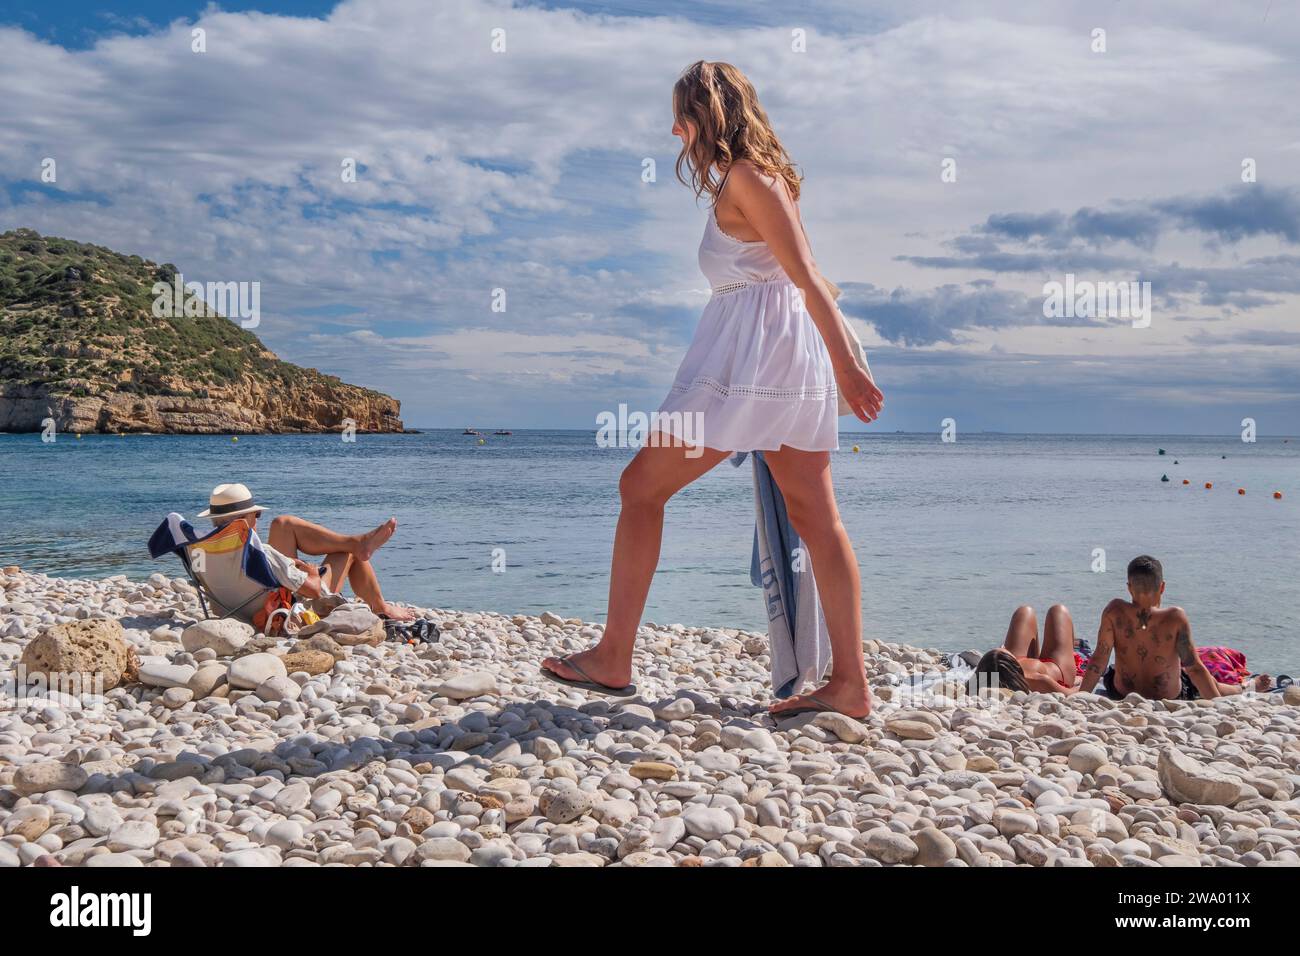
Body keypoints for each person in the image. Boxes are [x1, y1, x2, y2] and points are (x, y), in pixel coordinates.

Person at [541, 61, 884, 718]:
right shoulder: (757, 176)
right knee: (814, 516)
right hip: (770, 353)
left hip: (754, 361)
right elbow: (796, 277)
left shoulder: (749, 178)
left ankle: (614, 657)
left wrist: (845, 366)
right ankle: (851, 685)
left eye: (682, 115)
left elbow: (808, 274)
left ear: (708, 116)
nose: (675, 130)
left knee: (642, 487)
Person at [198, 482, 414, 621]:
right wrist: (310, 574)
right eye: (256, 516)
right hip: (282, 611)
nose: (257, 520)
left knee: (282, 524)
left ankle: (358, 543)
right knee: (345, 553)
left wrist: (285, 567)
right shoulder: (259, 553)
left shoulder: (201, 551)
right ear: (245, 521)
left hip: (233, 608)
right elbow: (314, 591)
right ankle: (380, 605)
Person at [1078, 555, 1269, 700]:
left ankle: (1243, 688)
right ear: (1162, 587)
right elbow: (1194, 667)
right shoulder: (1175, 617)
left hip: (1122, 692)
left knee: (1111, 668)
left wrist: (1081, 697)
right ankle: (1243, 689)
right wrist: (1216, 707)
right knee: (1191, 674)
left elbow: (1098, 661)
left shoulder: (1114, 611)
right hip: (1169, 696)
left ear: (1129, 587)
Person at [972, 605, 1083, 695]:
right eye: (1005, 651)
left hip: (1021, 664)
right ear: (1010, 663)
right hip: (1055, 669)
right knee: (1058, 611)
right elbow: (1070, 693)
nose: (1004, 647)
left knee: (1024, 611)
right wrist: (1081, 680)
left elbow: (970, 689)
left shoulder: (981, 680)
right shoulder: (1037, 680)